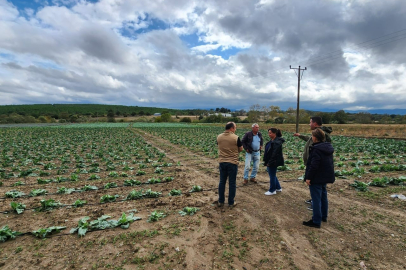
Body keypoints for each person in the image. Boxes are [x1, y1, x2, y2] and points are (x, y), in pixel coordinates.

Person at [294, 116, 332, 208]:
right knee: (315, 185)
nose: (309, 124)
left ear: (315, 123)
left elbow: (321, 149)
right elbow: (310, 139)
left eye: (310, 122)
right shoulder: (317, 133)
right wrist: (300, 136)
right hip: (313, 163)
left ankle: (316, 204)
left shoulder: (322, 134)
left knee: (317, 185)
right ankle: (314, 200)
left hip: (316, 164)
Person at [302, 129, 335, 228]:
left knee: (316, 199)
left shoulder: (316, 149)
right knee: (323, 197)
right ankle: (323, 216)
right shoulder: (328, 147)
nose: (311, 137)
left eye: (312, 136)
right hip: (325, 176)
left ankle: (316, 221)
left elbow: (314, 165)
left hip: (316, 177)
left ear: (315, 137)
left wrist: (308, 178)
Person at [217, 122, 243, 207]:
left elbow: (219, 145)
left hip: (222, 162)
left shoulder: (219, 136)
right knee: (232, 183)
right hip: (232, 162)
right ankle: (231, 202)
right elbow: (241, 149)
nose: (235, 129)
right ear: (231, 128)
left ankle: (221, 201)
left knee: (222, 182)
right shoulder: (236, 138)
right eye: (235, 128)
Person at [263, 128, 285, 195]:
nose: (269, 134)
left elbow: (274, 154)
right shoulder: (272, 141)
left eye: (270, 133)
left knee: (272, 175)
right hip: (270, 160)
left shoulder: (277, 142)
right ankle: (278, 187)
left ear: (274, 133)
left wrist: (270, 162)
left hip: (273, 161)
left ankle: (272, 190)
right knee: (272, 174)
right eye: (268, 133)